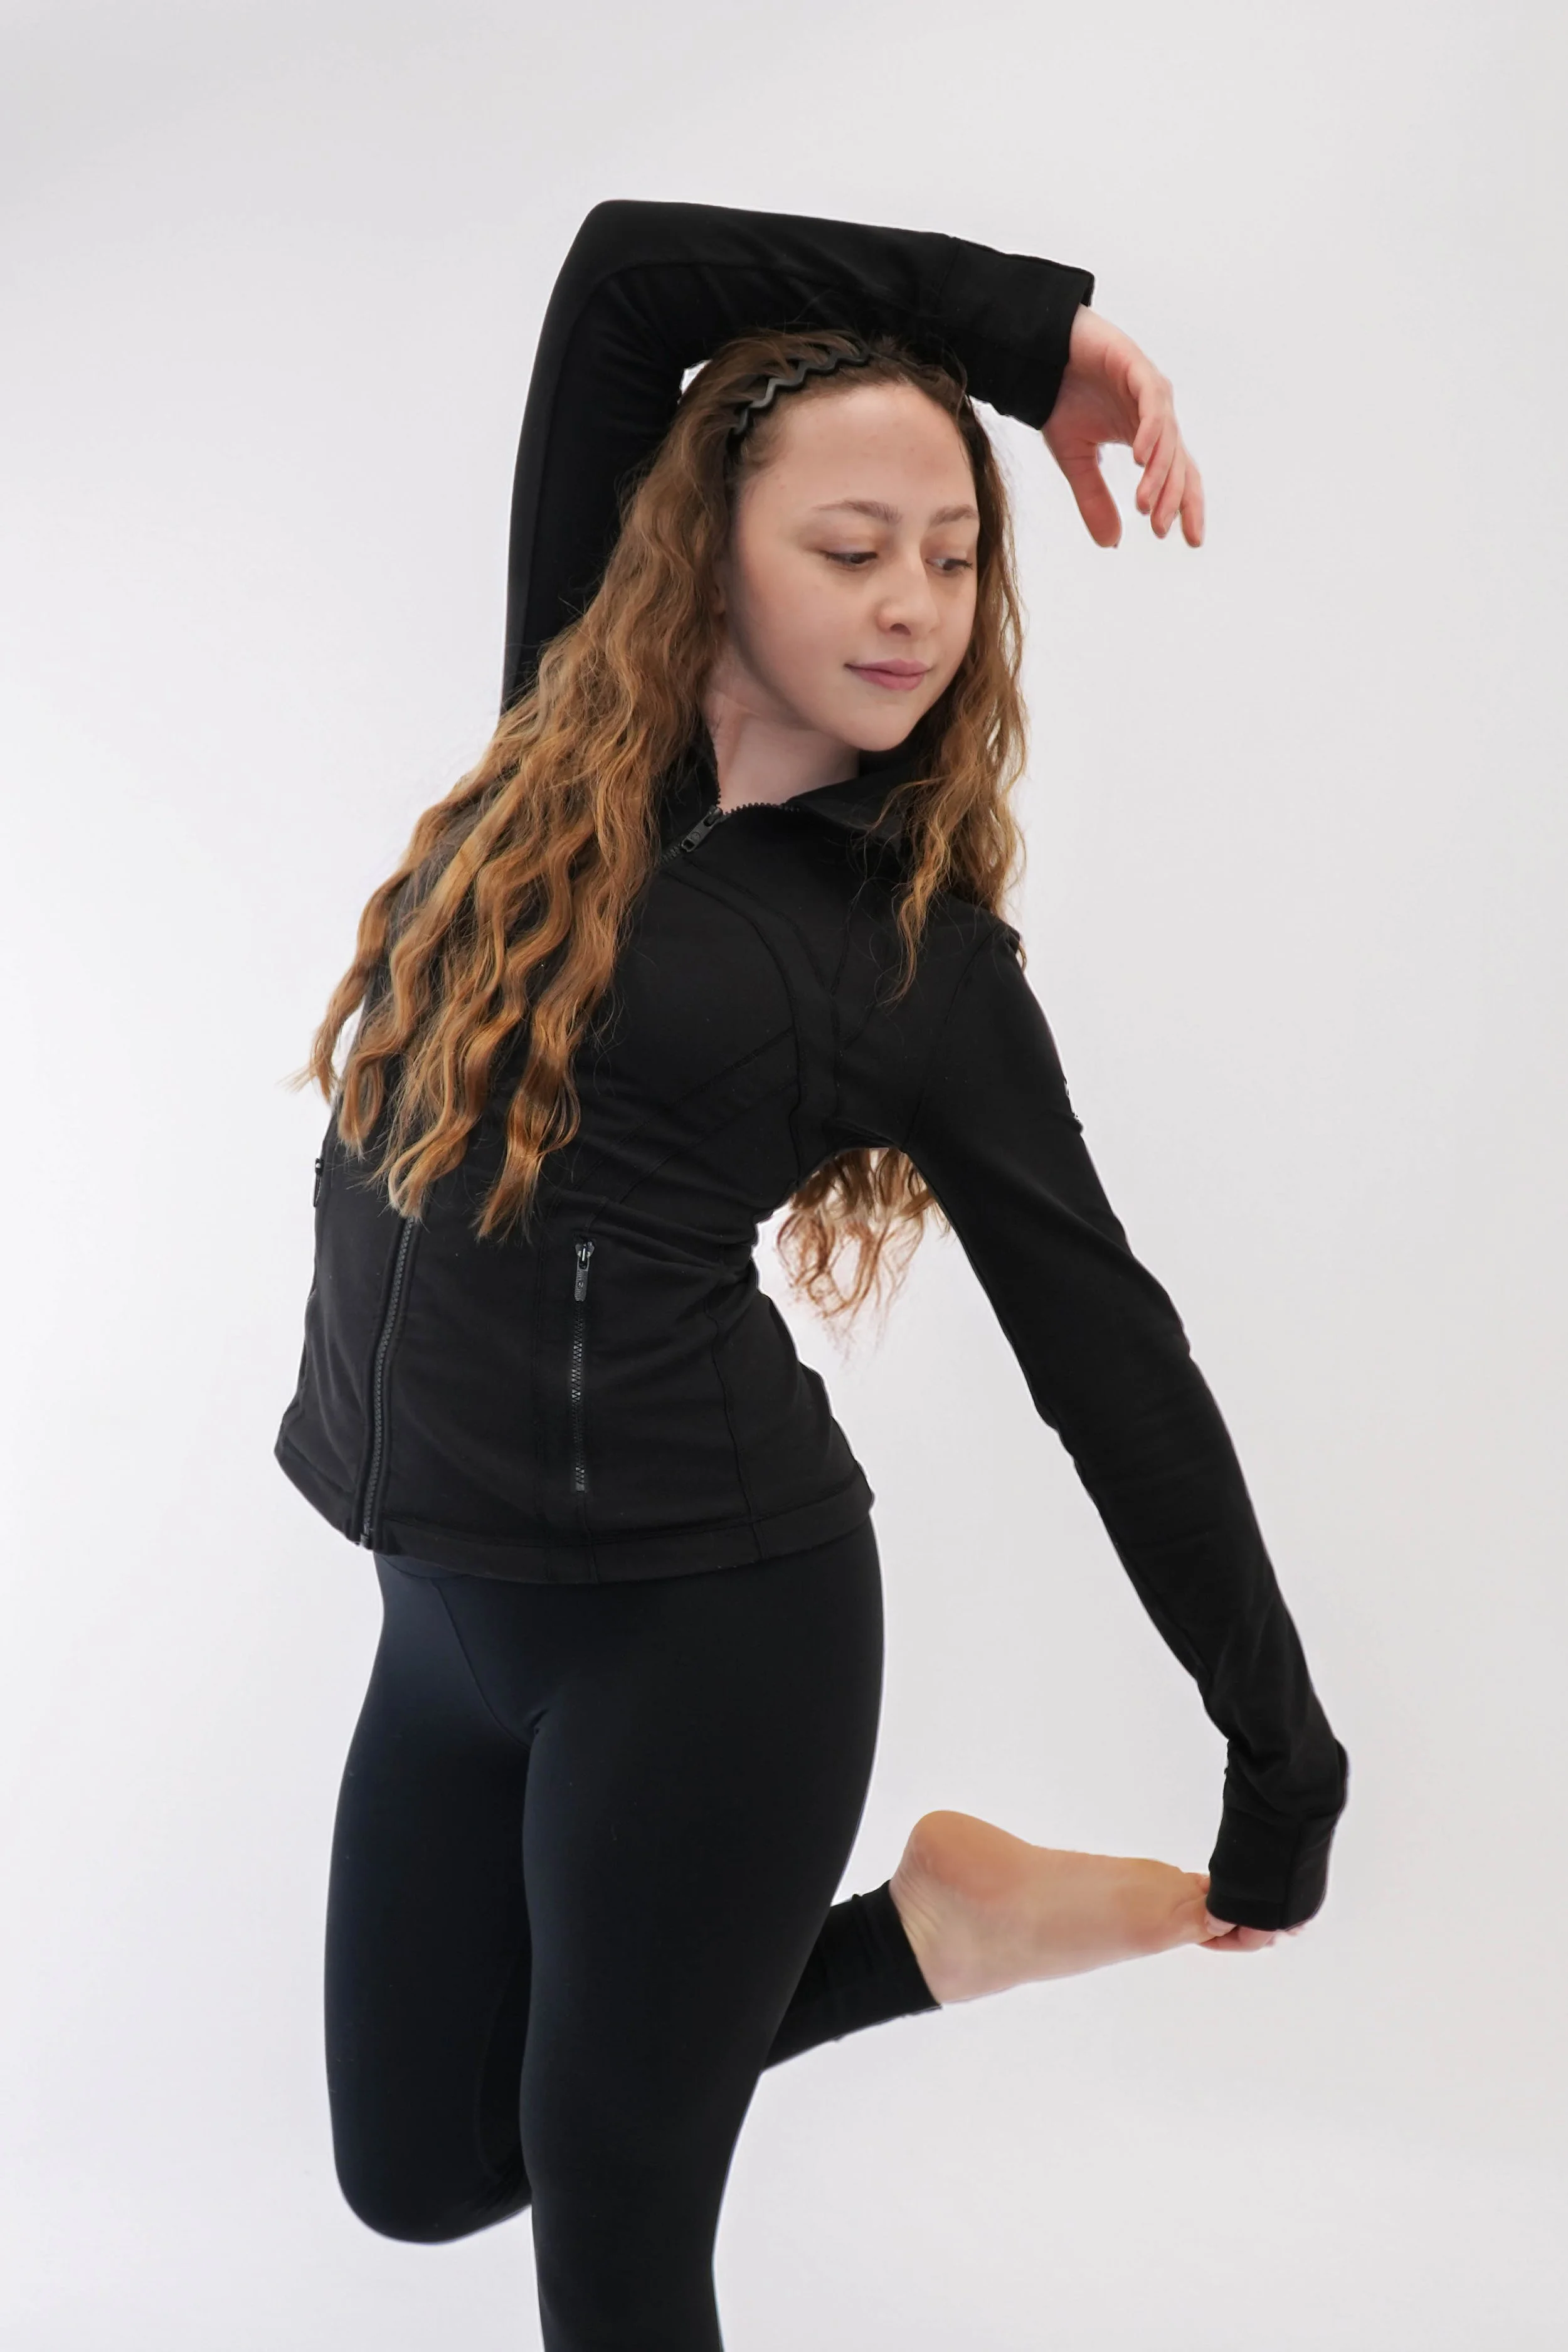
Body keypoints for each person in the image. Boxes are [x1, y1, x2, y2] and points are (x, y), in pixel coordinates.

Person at [275, 197, 1348, 2348]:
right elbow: (621, 274)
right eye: (851, 547)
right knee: (416, 2173)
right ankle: (936, 1935)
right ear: (701, 549)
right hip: (442, 1608)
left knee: (615, 2238)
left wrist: (1277, 1738)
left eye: (954, 555)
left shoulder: (912, 959)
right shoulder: (567, 715)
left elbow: (1102, 1344)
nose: (914, 605)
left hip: (705, 1630)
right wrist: (1039, 349)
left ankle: (896, 1953)